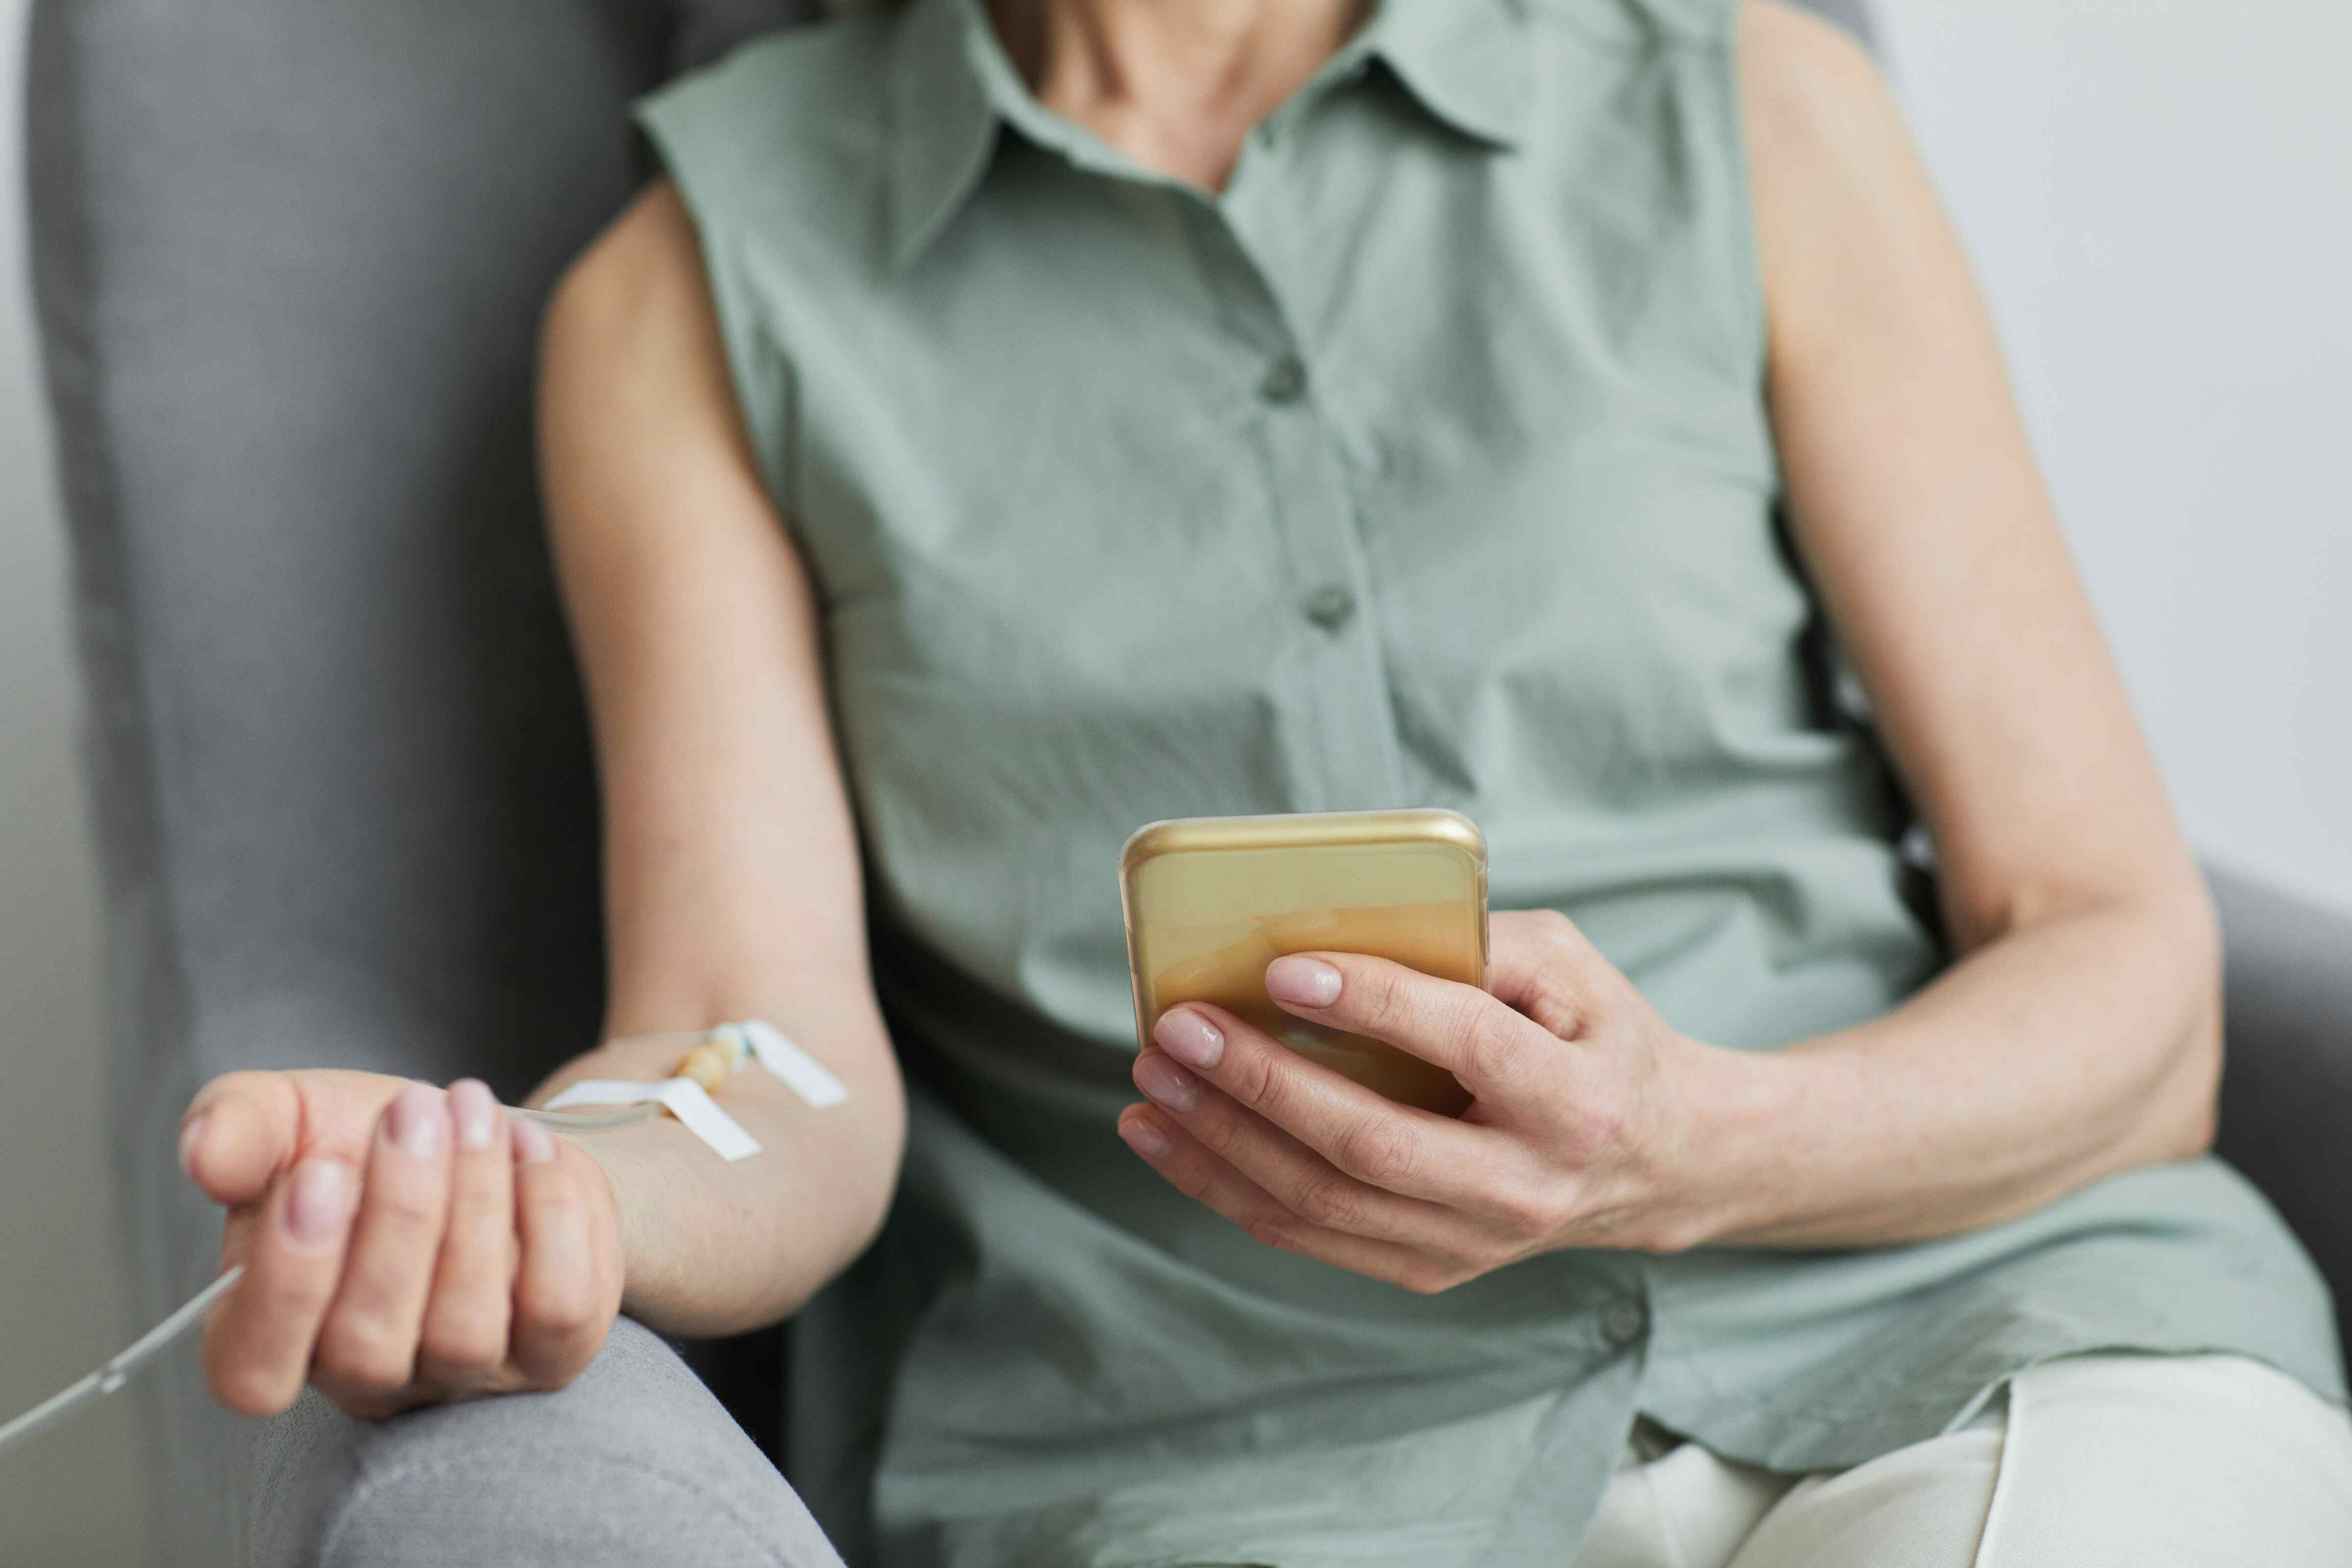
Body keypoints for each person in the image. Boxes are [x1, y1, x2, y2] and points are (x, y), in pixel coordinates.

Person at [173, 0, 2352, 1562]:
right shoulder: (694, 289)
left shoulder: (1748, 98)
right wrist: (550, 1183)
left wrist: (1694, 1143)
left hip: (1979, 1343)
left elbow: (2123, 969)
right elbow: (757, 1053)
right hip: (1225, 1470)